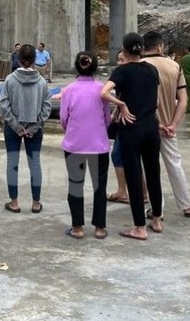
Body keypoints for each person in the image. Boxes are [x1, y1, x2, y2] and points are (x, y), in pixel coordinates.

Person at [100, 32, 164, 240]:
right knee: (153, 172)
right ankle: (156, 219)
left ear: (125, 51)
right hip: (151, 126)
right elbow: (156, 98)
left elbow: (104, 92)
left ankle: (139, 227)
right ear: (142, 49)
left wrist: (121, 104)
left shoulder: (122, 71)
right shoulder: (152, 69)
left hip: (131, 127)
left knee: (134, 176)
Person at [141, 31, 190, 219]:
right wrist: (174, 124)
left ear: (144, 47)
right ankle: (186, 206)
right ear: (160, 47)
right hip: (169, 126)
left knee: (149, 168)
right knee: (175, 164)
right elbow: (182, 99)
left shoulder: (138, 67)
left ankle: (156, 209)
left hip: (147, 126)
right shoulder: (175, 66)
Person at [60, 51, 110, 240]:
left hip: (75, 144)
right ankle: (99, 228)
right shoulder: (102, 89)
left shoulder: (69, 90)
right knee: (100, 187)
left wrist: (73, 130)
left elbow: (64, 119)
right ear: (96, 67)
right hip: (98, 144)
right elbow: (106, 118)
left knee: (75, 185)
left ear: (76, 66)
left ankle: (78, 227)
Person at [0, 44, 52, 215]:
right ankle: (36, 203)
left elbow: (4, 104)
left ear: (19, 59)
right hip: (34, 128)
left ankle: (14, 202)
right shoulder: (42, 82)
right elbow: (47, 106)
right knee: (35, 164)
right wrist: (35, 126)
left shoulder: (10, 80)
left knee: (12, 163)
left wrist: (15, 125)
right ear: (35, 60)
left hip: (13, 127)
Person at [106, 49, 146, 205]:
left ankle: (128, 192)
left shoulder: (129, 75)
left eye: (123, 59)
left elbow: (107, 93)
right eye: (119, 60)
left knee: (123, 156)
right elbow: (121, 97)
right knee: (127, 157)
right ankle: (136, 192)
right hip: (126, 120)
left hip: (130, 122)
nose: (120, 63)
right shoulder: (128, 75)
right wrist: (115, 112)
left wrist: (120, 106)